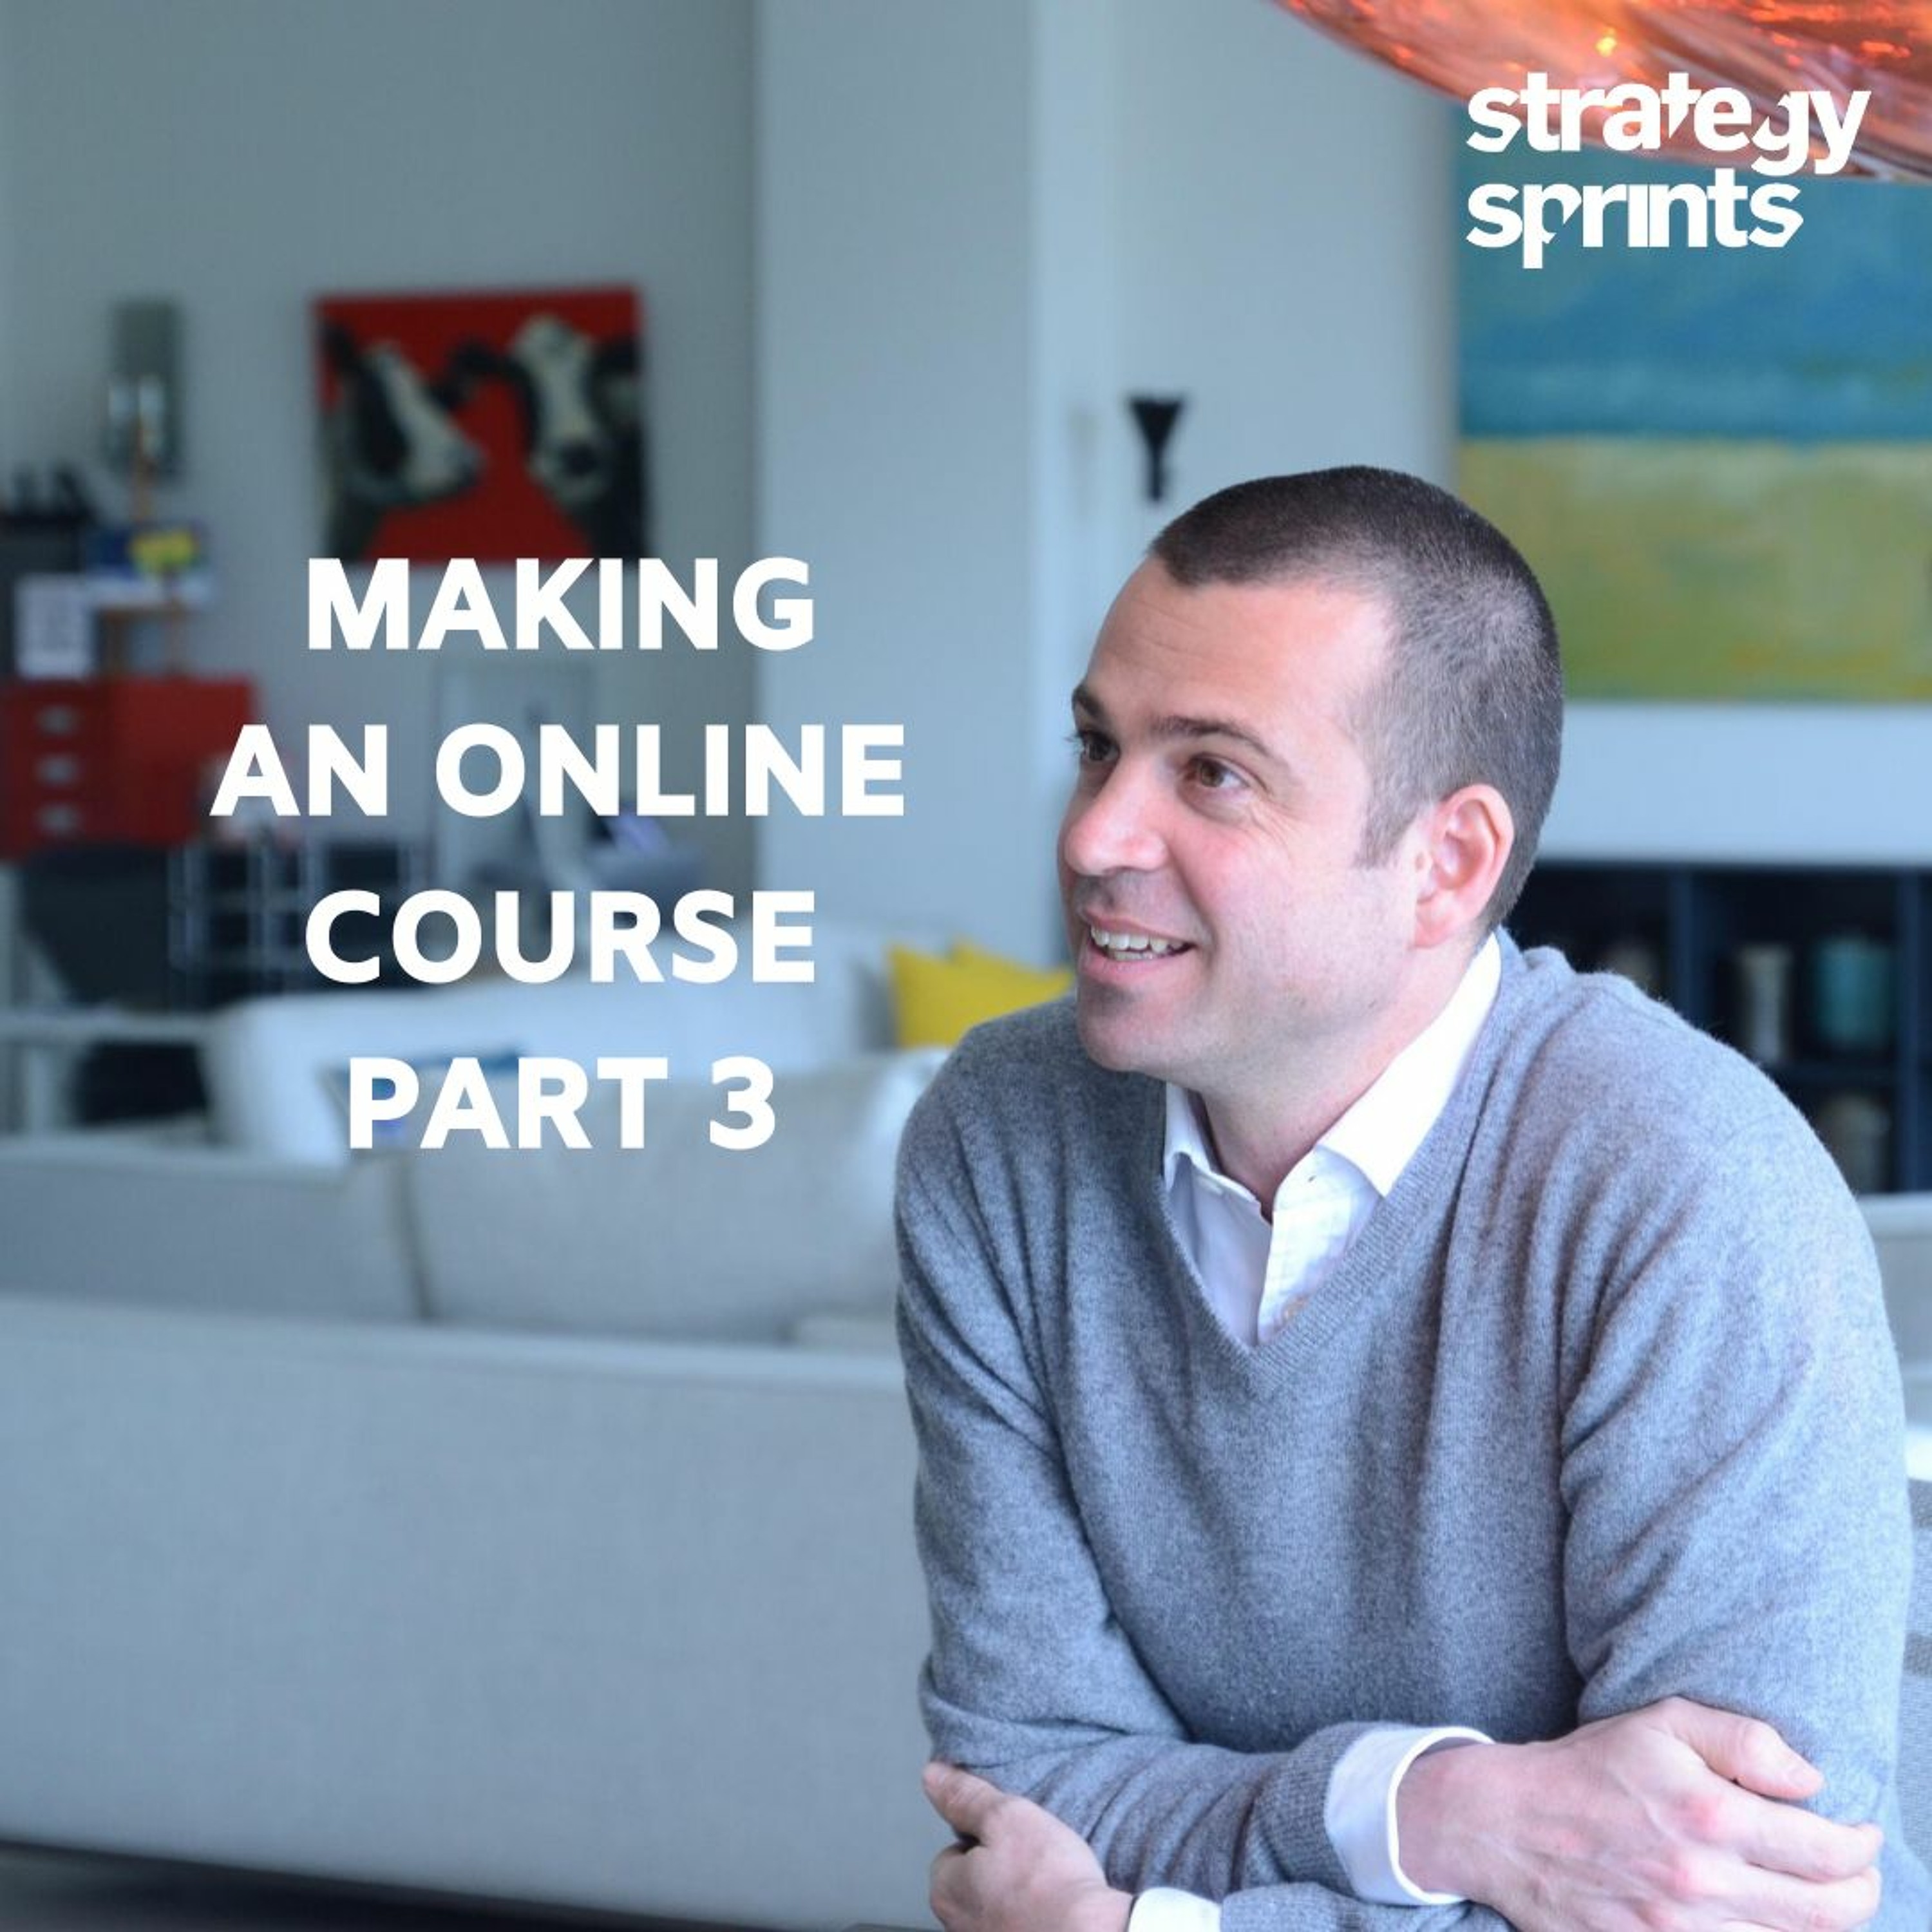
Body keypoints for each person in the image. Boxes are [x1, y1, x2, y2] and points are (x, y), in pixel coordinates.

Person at [893, 467, 1926, 1932]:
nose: (1093, 837)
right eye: (1098, 746)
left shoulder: (1689, 1184)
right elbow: (1023, 1774)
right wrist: (1429, 1812)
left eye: (1212, 773)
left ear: (1447, 865)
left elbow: (1728, 1899)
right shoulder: (999, 1137)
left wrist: (1155, 1924)